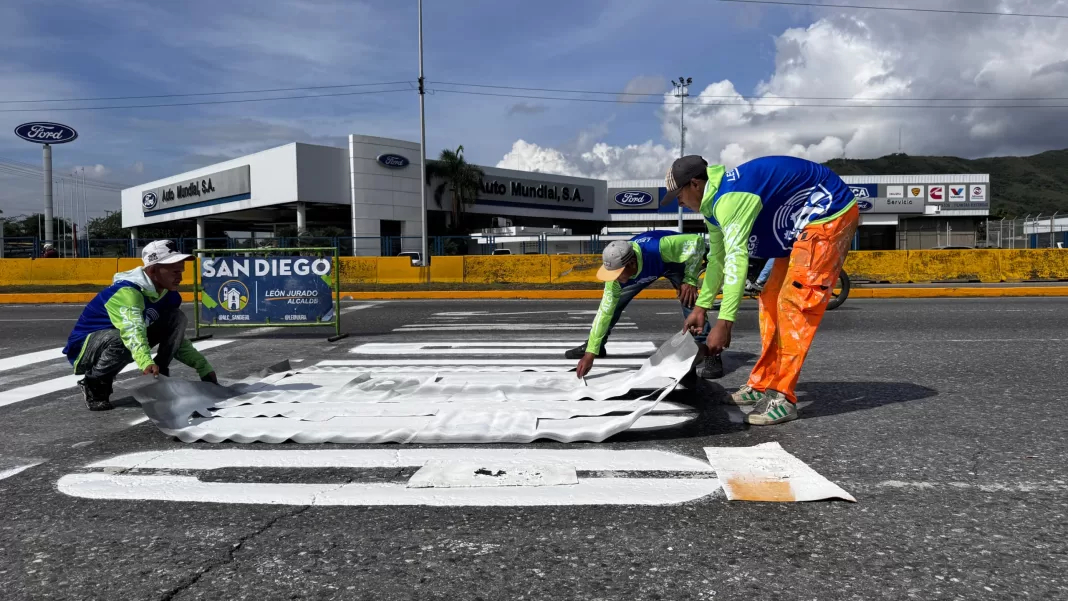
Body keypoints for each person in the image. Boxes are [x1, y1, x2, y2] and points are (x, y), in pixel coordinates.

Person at [663, 155, 859, 425]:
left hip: (829, 213)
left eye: (679, 194)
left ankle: (783, 396)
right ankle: (762, 382)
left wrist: (725, 321)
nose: (679, 202)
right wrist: (700, 307)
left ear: (695, 184)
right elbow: (718, 260)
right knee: (769, 297)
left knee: (793, 303)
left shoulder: (728, 200)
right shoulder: (713, 207)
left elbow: (736, 259)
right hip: (798, 222)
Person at [63, 240, 218, 411]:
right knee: (121, 339)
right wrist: (145, 362)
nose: (180, 277)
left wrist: (203, 367)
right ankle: (95, 384)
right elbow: (132, 332)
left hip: (125, 339)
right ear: (152, 270)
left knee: (177, 318)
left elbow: (176, 340)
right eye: (174, 272)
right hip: (86, 348)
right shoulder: (127, 292)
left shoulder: (170, 296)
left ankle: (159, 376)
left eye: (181, 271)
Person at [569, 230, 720, 380]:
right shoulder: (616, 278)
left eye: (617, 275)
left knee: (690, 301)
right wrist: (590, 353)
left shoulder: (659, 247)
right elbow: (604, 313)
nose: (613, 279)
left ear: (631, 263)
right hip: (646, 269)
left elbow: (696, 242)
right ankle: (597, 346)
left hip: (673, 262)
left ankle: (709, 351)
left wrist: (690, 280)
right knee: (613, 306)